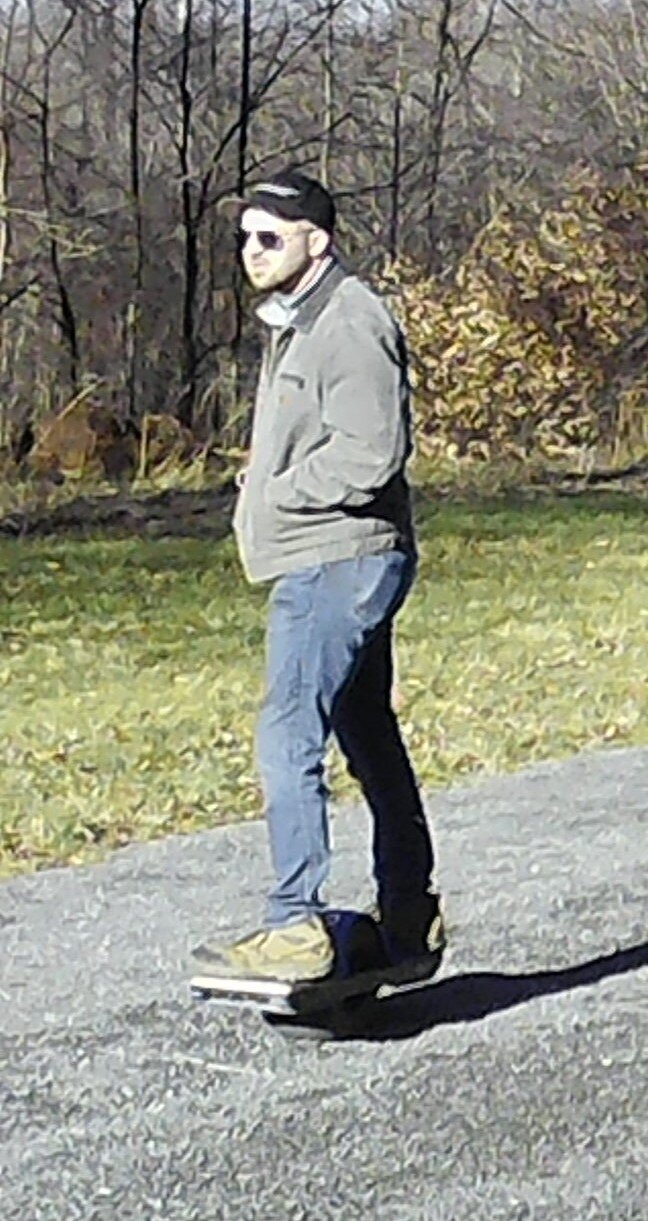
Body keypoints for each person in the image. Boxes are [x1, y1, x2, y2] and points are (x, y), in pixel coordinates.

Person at [192, 171, 444, 984]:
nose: (250, 251)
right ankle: (408, 911)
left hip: (336, 557)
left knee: (288, 726)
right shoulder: (301, 322)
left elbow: (371, 453)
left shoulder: (348, 319)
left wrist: (277, 489)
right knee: (365, 729)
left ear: (316, 240)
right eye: (244, 237)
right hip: (332, 552)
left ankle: (294, 923)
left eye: (269, 236)